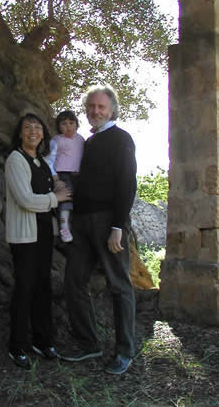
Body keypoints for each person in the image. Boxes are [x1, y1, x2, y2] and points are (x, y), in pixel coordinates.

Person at [61, 85, 137, 375]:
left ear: (112, 109)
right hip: (81, 223)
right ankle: (88, 343)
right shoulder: (87, 142)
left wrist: (118, 226)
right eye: (91, 107)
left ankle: (125, 351)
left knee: (119, 285)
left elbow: (127, 185)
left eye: (101, 107)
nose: (95, 111)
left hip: (108, 223)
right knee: (73, 282)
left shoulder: (121, 139)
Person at [5, 112, 72, 369]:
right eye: (27, 127)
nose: (33, 131)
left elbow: (52, 191)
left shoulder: (43, 163)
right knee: (24, 289)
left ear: (43, 133)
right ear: (20, 134)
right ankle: (17, 345)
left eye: (37, 127)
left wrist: (59, 194)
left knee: (43, 288)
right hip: (24, 237)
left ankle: (43, 341)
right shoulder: (15, 160)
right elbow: (25, 199)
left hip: (45, 234)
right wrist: (57, 198)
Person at [45, 110, 85, 243]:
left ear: (77, 124)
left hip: (78, 175)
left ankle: (75, 226)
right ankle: (63, 226)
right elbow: (49, 160)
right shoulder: (57, 140)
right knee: (65, 197)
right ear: (58, 126)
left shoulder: (81, 140)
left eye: (71, 123)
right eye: (64, 124)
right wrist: (54, 176)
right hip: (62, 173)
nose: (68, 126)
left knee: (78, 199)